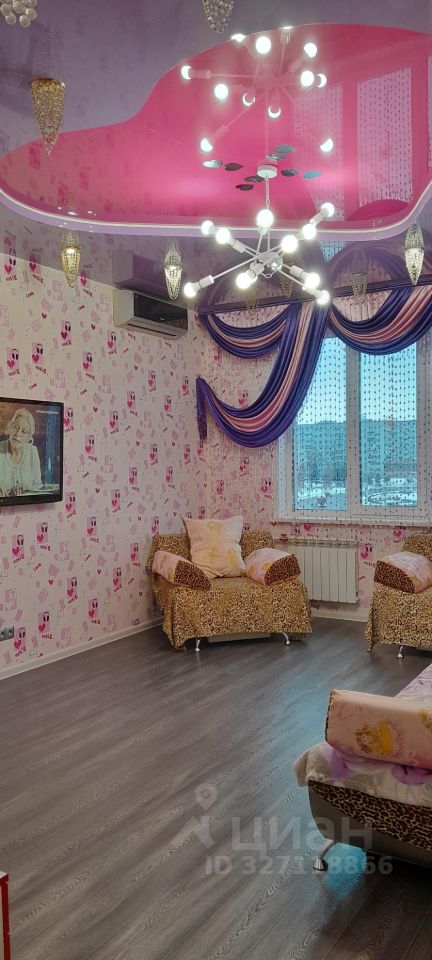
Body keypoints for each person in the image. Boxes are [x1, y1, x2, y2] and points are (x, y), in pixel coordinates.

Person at [0, 408, 42, 497]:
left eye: (24, 431)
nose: (18, 434)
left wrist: (27, 488)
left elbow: (38, 486)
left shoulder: (33, 452)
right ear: (10, 427)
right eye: (16, 427)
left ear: (29, 438)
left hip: (27, 504)